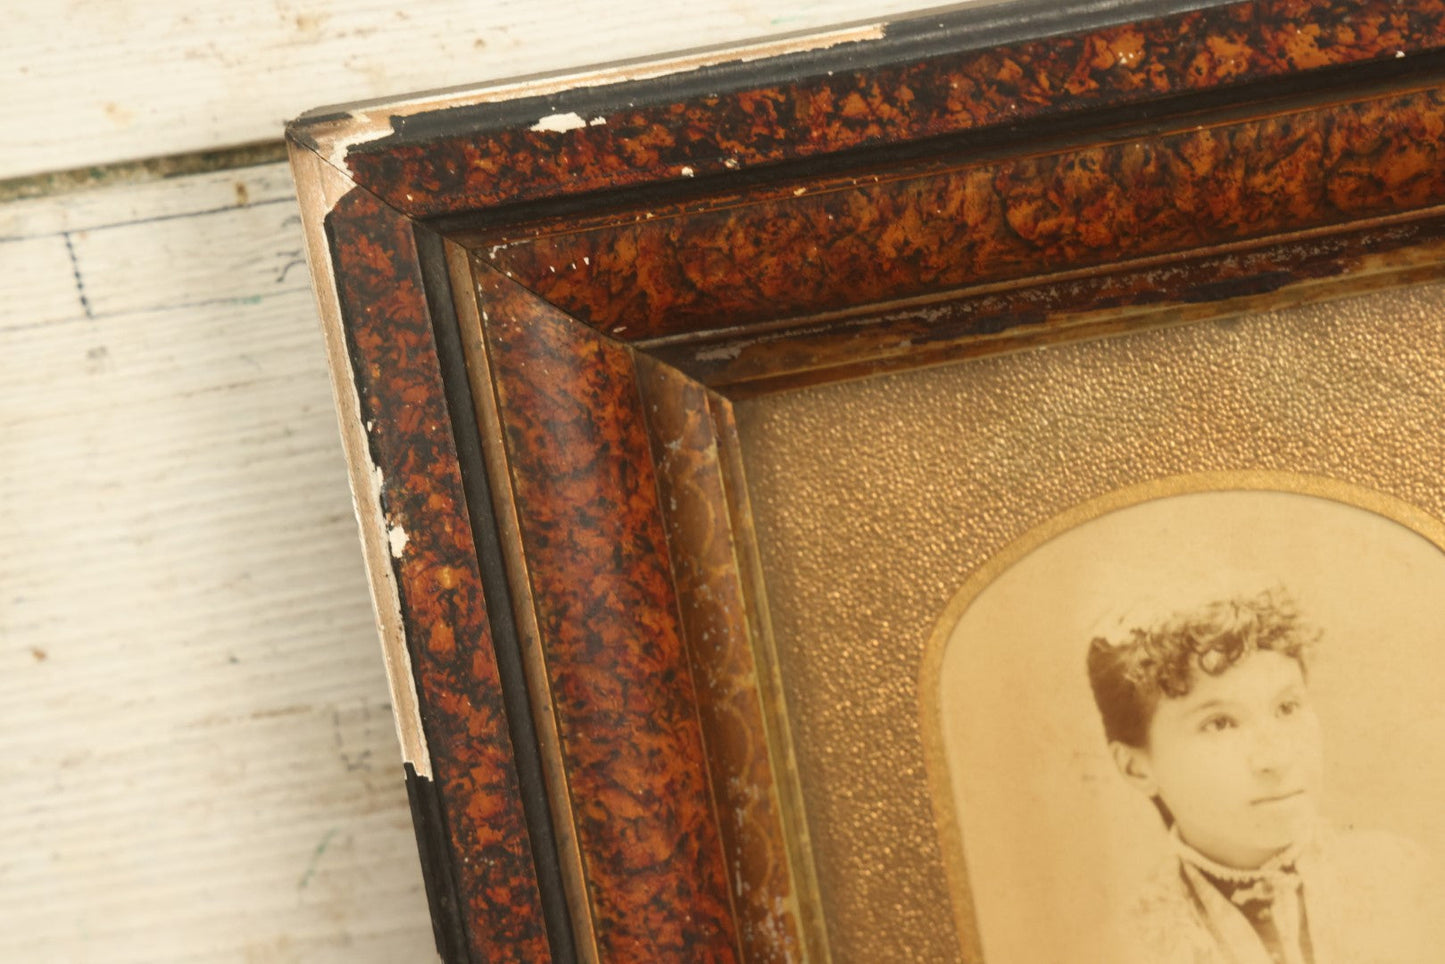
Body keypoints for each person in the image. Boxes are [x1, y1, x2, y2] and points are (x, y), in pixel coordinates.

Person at [1086, 585, 1439, 964]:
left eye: (1287, 707)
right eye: (1220, 724)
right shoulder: (1127, 946)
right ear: (1136, 768)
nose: (1276, 757)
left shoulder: (1407, 884)